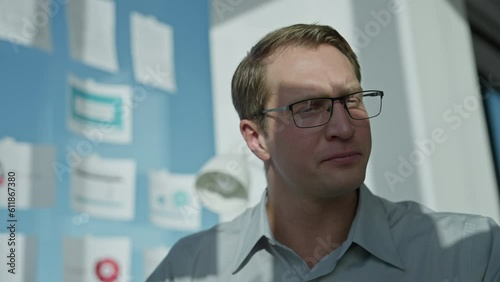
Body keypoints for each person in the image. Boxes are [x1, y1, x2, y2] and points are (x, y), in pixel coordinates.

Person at [147, 23, 500, 282]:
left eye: (353, 99)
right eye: (310, 107)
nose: (345, 128)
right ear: (257, 139)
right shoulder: (188, 269)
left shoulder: (471, 255)